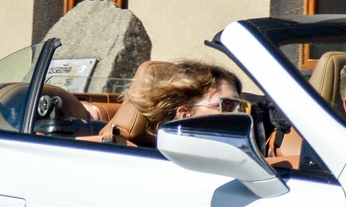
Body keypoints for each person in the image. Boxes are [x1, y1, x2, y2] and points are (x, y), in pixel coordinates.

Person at [86, 59, 246, 147]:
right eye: (226, 105)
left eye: (241, 107)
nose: (238, 115)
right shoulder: (165, 162)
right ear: (185, 114)